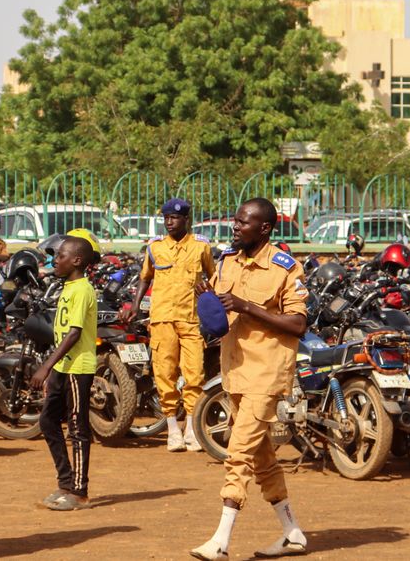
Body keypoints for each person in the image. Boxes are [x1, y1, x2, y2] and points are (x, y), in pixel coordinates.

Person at [191, 198, 309, 561]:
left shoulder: (284, 268)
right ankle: (292, 533)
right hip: (235, 373)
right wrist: (206, 299)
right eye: (236, 220)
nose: (236, 227)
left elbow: (298, 324)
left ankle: (221, 541)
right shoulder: (227, 260)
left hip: (266, 373)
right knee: (263, 460)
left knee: (238, 454)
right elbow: (217, 312)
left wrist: (246, 306)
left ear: (265, 228)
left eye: (244, 223)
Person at [123, 198, 215, 452]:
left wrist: (209, 293)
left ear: (186, 219)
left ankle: (194, 430)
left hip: (191, 319)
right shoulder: (155, 248)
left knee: (194, 373)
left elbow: (213, 276)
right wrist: (134, 304)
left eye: (174, 218)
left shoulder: (201, 247)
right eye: (166, 218)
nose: (169, 222)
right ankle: (173, 428)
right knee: (165, 373)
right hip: (162, 318)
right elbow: (145, 278)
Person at [30, 233, 100, 511]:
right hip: (62, 366)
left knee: (77, 428)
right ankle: (65, 482)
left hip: (77, 368)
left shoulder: (83, 289)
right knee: (48, 421)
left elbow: (74, 334)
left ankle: (79, 492)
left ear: (77, 260)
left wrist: (45, 367)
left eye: (60, 256)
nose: (55, 261)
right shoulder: (67, 287)